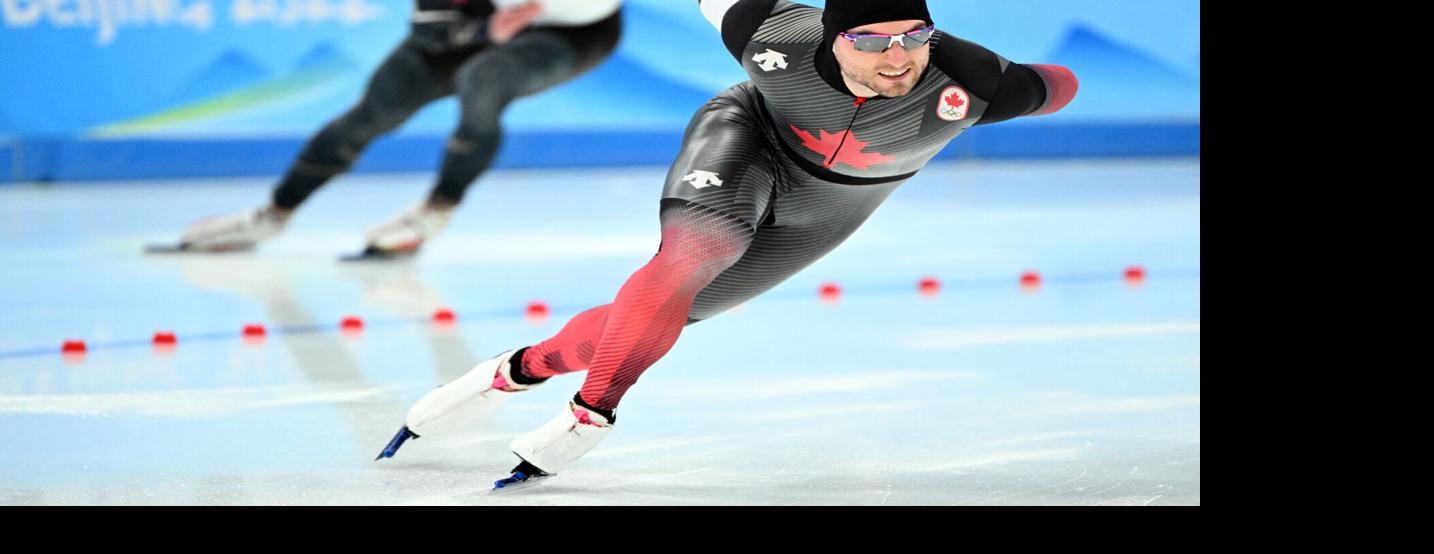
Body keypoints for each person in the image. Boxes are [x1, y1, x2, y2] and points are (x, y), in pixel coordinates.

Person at [379, 0, 1079, 488]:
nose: (896, 57)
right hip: (747, 138)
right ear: (833, 37)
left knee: (662, 317)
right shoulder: (771, 34)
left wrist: (962, 59)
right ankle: (590, 414)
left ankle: (515, 370)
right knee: (694, 252)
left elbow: (1061, 86)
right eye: (871, 41)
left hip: (832, 209)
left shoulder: (973, 82)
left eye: (912, 36)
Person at [172, 0, 623, 256]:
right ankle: (273, 214)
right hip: (476, 18)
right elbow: (431, 29)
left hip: (576, 33)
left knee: (483, 82)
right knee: (371, 115)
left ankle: (437, 208)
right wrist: (485, 30)